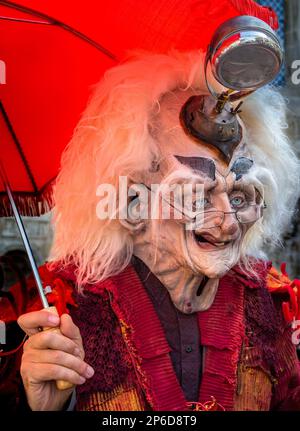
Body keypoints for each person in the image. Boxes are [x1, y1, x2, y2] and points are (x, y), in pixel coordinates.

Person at [17, 51, 300, 411]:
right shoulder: (63, 310)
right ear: (133, 204)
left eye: (241, 197)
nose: (228, 222)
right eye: (196, 197)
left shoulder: (273, 303)